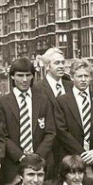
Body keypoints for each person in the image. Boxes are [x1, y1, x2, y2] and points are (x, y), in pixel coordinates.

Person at [0, 57, 56, 185]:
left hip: (41, 165)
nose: (24, 80)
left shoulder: (43, 100)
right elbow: (2, 135)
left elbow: (50, 132)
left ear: (32, 76)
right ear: (12, 76)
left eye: (28, 75)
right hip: (13, 166)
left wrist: (36, 158)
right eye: (20, 75)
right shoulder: (2, 102)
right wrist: (21, 157)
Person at [55, 59, 93, 177]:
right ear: (72, 77)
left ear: (90, 78)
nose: (83, 79)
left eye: (86, 76)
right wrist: (82, 154)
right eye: (79, 76)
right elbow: (62, 131)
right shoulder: (62, 101)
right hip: (72, 161)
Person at [32, 47, 74, 178]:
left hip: (70, 148)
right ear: (47, 66)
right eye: (57, 63)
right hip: (48, 150)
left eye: (63, 62)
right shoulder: (37, 88)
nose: (61, 66)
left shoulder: (71, 86)